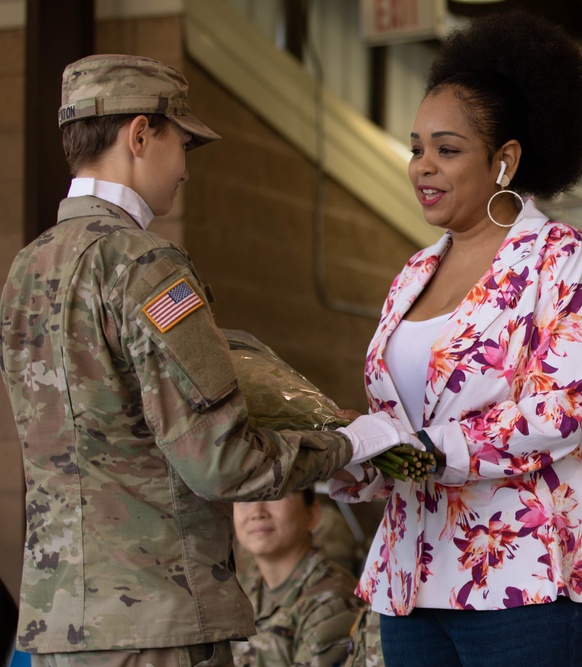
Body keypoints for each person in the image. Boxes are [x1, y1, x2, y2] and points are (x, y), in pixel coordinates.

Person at [0, 54, 408, 666]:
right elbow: (221, 463)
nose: (186, 169)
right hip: (157, 621)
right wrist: (350, 444)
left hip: (62, 628)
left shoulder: (25, 270)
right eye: (181, 143)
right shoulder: (144, 265)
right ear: (140, 135)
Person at [328, 10, 582, 667]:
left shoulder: (561, 257)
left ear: (505, 158)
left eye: (447, 149)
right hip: (413, 572)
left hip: (530, 569)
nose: (421, 166)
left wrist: (423, 448)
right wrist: (346, 453)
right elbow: (396, 420)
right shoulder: (410, 275)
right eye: (416, 146)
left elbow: (562, 412)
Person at [232, 488, 363, 667]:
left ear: (312, 514)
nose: (257, 513)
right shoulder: (245, 594)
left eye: (274, 495)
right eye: (245, 499)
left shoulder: (334, 604)